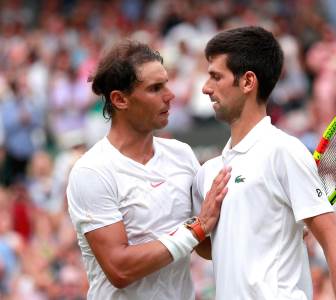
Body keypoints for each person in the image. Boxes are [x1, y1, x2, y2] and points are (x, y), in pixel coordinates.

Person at [192, 26, 336, 299]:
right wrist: (200, 226)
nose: (205, 88)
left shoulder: (283, 152)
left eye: (215, 76)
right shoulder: (208, 173)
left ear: (248, 82)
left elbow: (335, 242)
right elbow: (214, 249)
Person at [66, 40, 231, 300]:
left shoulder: (181, 154)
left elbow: (205, 247)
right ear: (120, 100)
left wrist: (269, 229)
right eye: (155, 88)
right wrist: (197, 228)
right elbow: (119, 268)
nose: (170, 94)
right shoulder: (92, 171)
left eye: (166, 83)